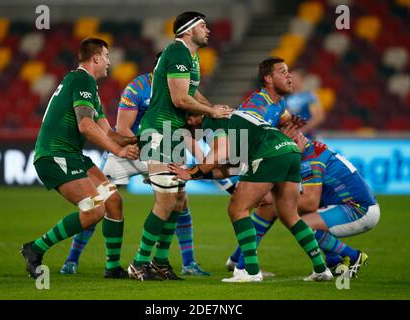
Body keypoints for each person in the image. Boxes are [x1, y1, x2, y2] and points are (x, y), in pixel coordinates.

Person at [170, 57, 333, 282]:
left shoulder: (212, 124)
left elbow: (220, 154)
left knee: (238, 208)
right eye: (282, 72)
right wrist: (196, 173)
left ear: (192, 120)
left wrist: (190, 173)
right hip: (290, 152)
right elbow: (227, 168)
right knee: (289, 214)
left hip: (269, 153)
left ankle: (250, 272)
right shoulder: (263, 106)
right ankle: (321, 269)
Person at [60, 63, 210, 276]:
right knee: (98, 200)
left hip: (163, 149)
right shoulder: (137, 88)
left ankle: (188, 263)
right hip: (130, 149)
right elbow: (121, 127)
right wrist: (144, 145)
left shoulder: (181, 90)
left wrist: (205, 161)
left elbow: (183, 131)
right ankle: (72, 260)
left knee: (179, 199)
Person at [20, 38, 139, 280]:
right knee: (95, 210)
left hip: (72, 155)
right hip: (55, 155)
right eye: (106, 56)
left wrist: (135, 141)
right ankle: (36, 248)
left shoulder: (90, 88)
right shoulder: (81, 79)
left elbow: (107, 133)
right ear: (95, 58)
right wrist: (118, 152)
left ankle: (112, 267)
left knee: (114, 201)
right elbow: (85, 125)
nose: (109, 61)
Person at [127, 11, 232, 281]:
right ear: (188, 30)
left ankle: (160, 262)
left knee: (178, 200)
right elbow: (179, 98)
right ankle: (139, 262)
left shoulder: (191, 57)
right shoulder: (177, 51)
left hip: (172, 133)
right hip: (159, 131)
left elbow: (191, 92)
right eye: (203, 25)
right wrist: (212, 113)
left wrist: (212, 108)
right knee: (165, 199)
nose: (208, 30)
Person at [228, 125, 380, 278]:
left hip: (359, 210)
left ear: (294, 140)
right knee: (282, 210)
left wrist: (275, 200)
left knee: (302, 224)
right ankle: (334, 262)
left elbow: (310, 202)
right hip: (349, 206)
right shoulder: (307, 152)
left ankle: (353, 256)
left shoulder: (310, 161)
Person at [285, 70, 325, 140]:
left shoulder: (309, 96)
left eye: (294, 78)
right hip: (293, 137)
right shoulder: (288, 98)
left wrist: (302, 130)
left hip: (308, 138)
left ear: (301, 80)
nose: (291, 80)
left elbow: (319, 117)